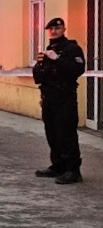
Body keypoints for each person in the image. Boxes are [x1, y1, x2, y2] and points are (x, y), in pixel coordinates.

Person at [34, 17, 86, 184]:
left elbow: (77, 69)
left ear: (64, 29)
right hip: (49, 98)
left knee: (66, 134)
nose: (53, 31)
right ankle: (58, 166)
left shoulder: (72, 49)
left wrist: (57, 59)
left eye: (57, 28)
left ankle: (72, 170)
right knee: (52, 134)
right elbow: (39, 75)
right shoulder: (48, 49)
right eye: (50, 29)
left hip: (65, 98)